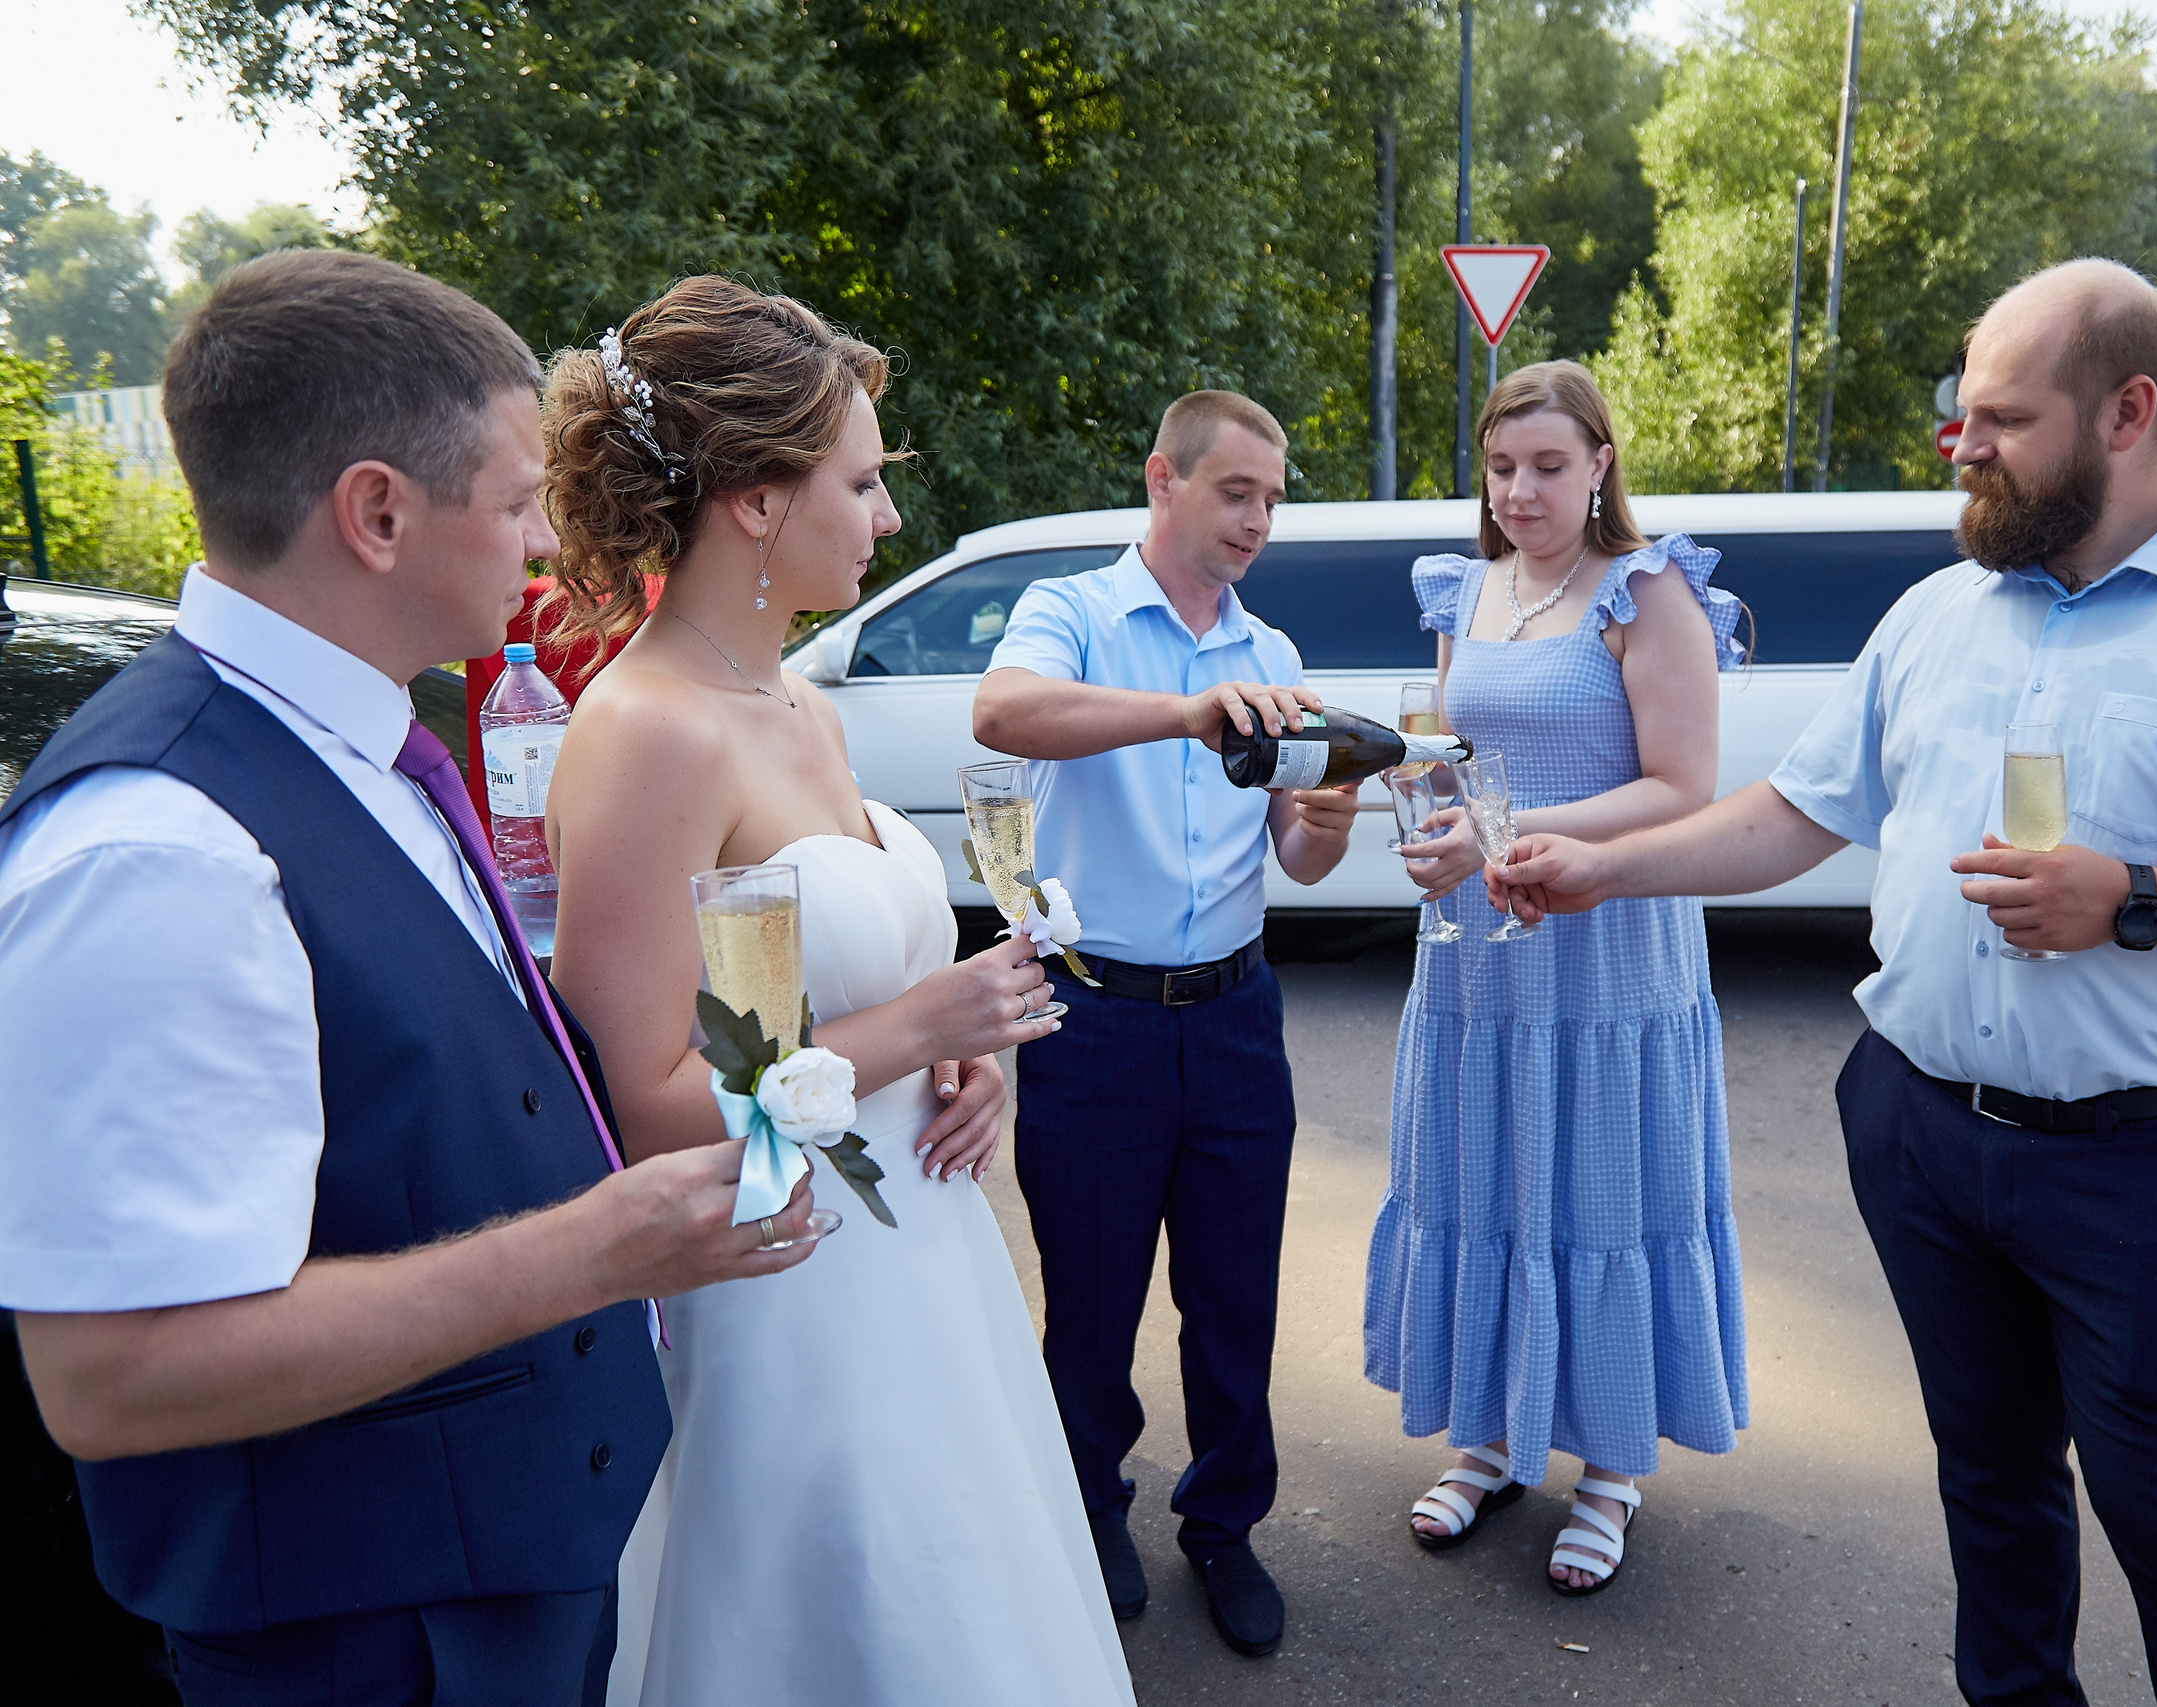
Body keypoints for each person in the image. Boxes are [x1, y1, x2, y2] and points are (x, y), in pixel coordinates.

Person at [1493, 260, 2157, 1703]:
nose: (1964, 443)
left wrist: (2135, 897)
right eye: (1966, 412)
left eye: (2001, 415)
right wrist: (1592, 865)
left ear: (2130, 412)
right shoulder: (1941, 613)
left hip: (2142, 1163)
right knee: (1992, 1492)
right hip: (1919, 1133)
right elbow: (1794, 810)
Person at [0, 250, 822, 1707]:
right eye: (515, 504)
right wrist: (599, 1246)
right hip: (371, 1637)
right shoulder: (160, 849)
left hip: (498, 1568)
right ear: (377, 511)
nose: (542, 547)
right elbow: (112, 1374)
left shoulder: (364, 739)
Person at [536, 277, 1136, 1706]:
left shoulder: (806, 705)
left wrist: (962, 1052)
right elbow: (646, 1103)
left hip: (924, 1260)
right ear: (752, 496)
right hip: (786, 1290)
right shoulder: (642, 736)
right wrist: (914, 1030)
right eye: (861, 481)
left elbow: (836, 977)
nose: (887, 517)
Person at [969, 391, 1362, 1657]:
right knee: (1089, 1304)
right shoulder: (1074, 614)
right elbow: (1004, 715)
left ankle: (1224, 1528)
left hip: (1237, 1014)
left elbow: (1298, 858)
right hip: (1098, 1016)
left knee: (1234, 1300)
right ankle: (1090, 1510)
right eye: (1235, 491)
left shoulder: (1277, 653)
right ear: (1164, 480)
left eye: (1272, 497)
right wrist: (1192, 712)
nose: (1258, 518)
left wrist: (1339, 803)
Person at [1365, 360, 1749, 1595]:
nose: (1520, 491)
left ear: (1599, 468)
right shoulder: (1459, 591)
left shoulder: (1649, 591)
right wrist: (1431, 823)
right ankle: (1486, 1438)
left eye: (1547, 465)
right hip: (1479, 958)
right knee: (1486, 1174)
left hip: (1612, 948)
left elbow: (1679, 788)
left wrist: (1507, 826)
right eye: (1500, 467)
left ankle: (1610, 1469)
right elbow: (1449, 755)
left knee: (1603, 1185)